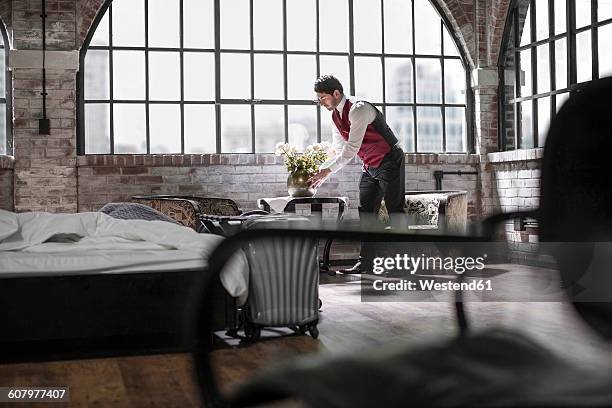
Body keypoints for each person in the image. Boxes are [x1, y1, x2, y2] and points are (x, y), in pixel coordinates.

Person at [308, 75, 405, 273]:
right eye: (318, 99)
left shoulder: (358, 109)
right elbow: (338, 148)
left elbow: (351, 149)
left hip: (389, 160)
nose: (321, 102)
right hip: (369, 165)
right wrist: (322, 172)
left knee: (394, 211)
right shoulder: (335, 115)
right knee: (367, 211)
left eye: (323, 98)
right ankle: (367, 262)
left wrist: (327, 172)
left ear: (336, 93)